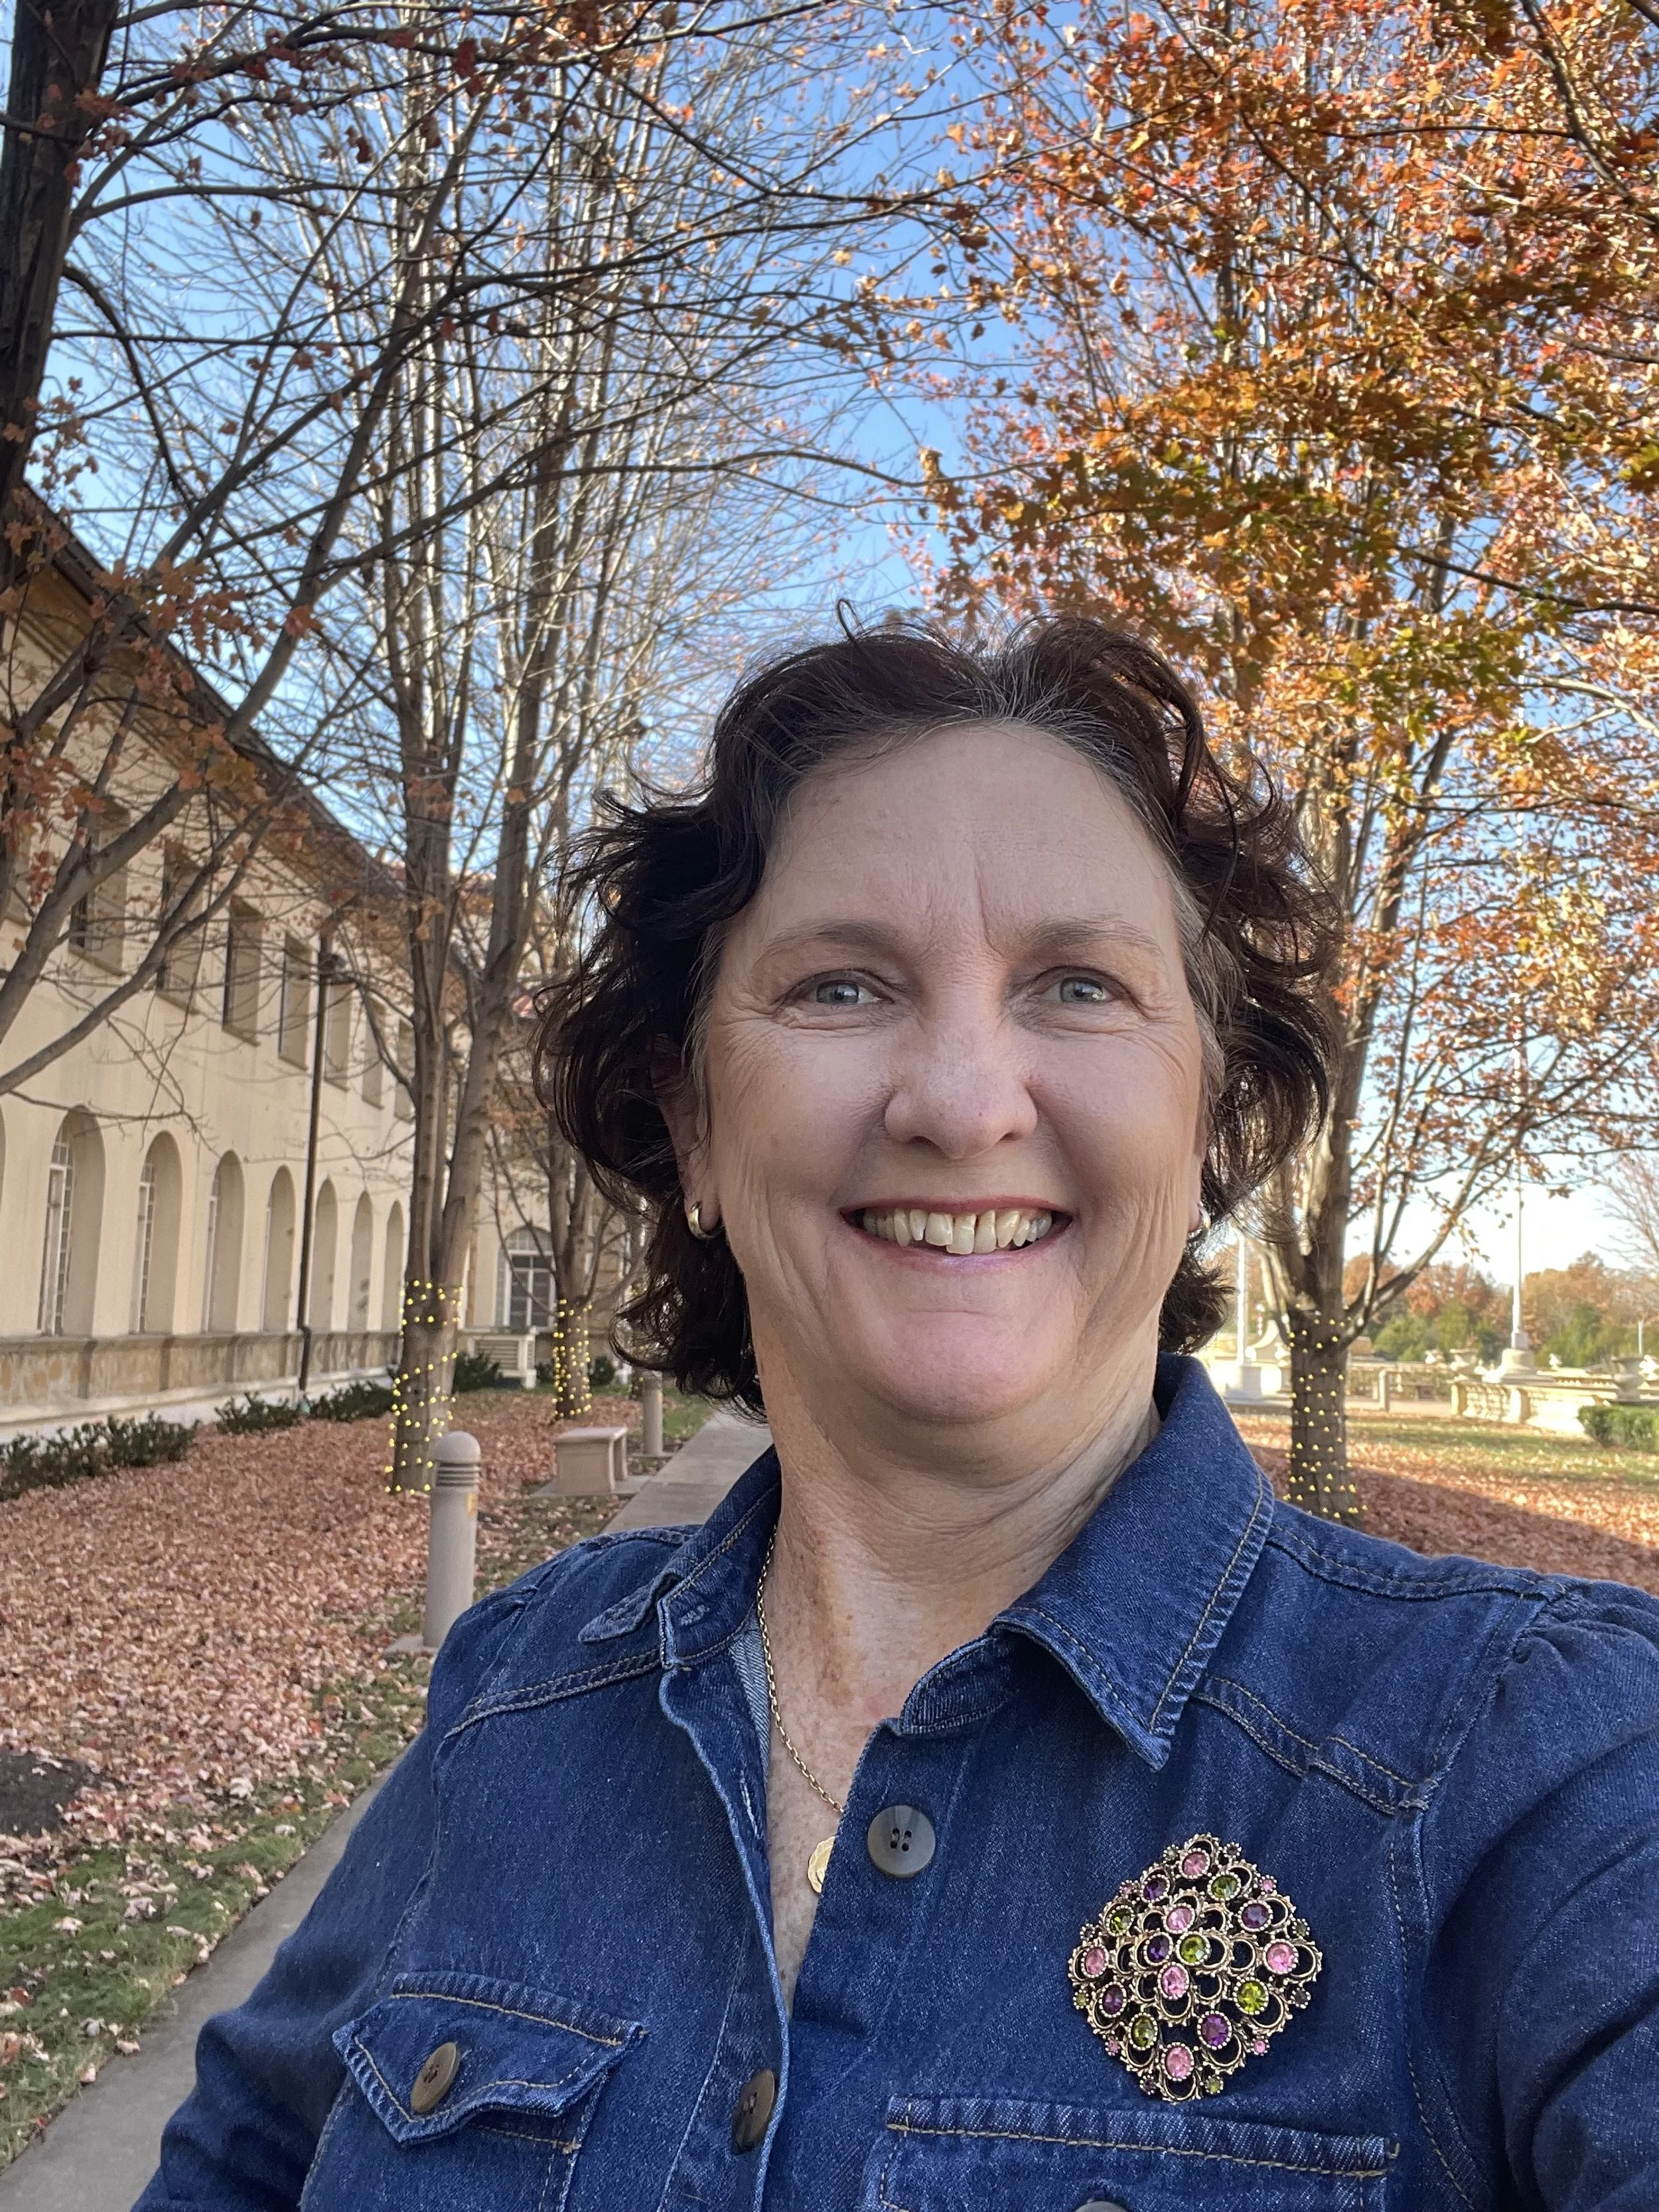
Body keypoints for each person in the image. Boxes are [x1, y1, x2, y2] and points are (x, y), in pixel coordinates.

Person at [135, 619, 1659, 2212]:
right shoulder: (514, 1696)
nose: (960, 1100)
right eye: (841, 985)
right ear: (692, 1122)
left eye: (1077, 986)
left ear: (1209, 1120)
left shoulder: (1539, 1770)